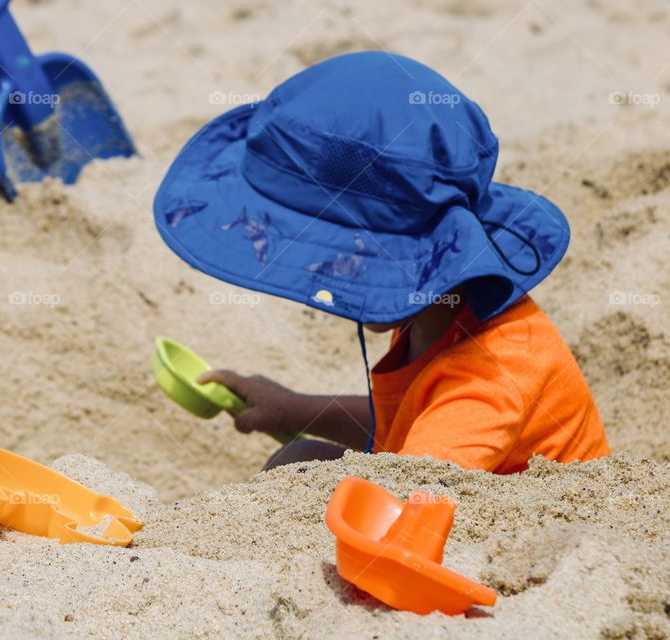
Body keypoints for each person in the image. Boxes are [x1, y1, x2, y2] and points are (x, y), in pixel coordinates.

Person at [152, 51, 610, 472]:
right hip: (456, 476)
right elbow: (406, 423)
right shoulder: (438, 304)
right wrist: (293, 409)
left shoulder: (489, 378)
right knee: (299, 458)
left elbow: (406, 509)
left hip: (516, 536)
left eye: (349, 260)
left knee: (296, 469)